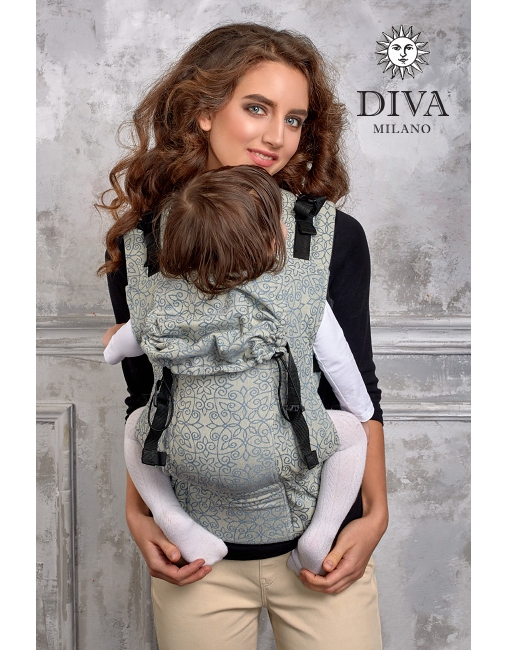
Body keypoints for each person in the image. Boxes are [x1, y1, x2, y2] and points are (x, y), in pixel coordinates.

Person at [97, 22, 388, 650]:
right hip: (196, 552)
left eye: (294, 119)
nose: (276, 136)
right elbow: (146, 395)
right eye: (257, 108)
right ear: (204, 111)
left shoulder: (332, 236)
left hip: (322, 545)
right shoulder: (140, 244)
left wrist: (375, 513)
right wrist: (139, 514)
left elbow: (356, 387)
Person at [103, 164, 373, 577]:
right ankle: (320, 534)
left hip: (185, 452)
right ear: (272, 242)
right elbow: (343, 370)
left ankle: (172, 518)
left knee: (135, 428)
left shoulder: (159, 306)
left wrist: (113, 338)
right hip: (279, 451)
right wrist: (362, 411)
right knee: (352, 434)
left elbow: (115, 353)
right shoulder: (301, 297)